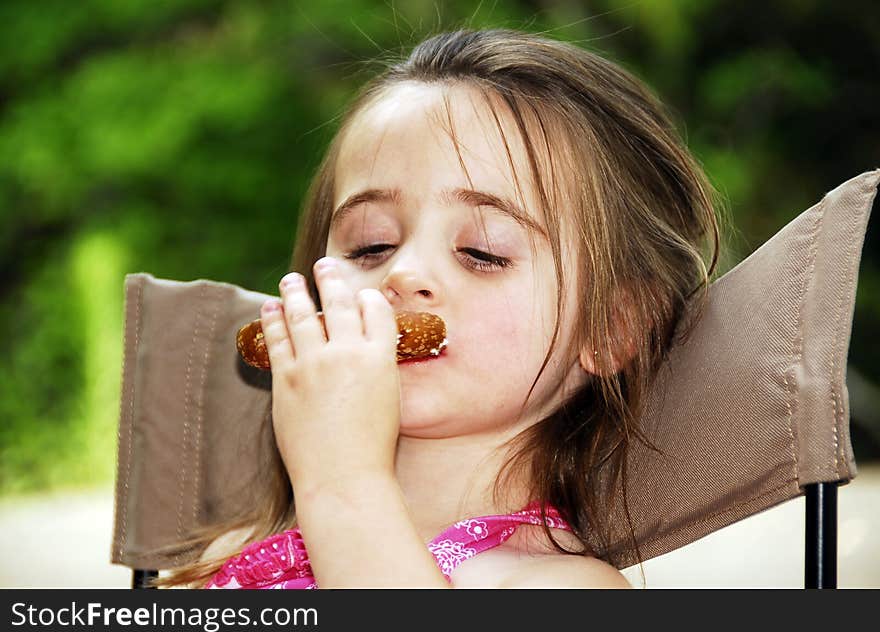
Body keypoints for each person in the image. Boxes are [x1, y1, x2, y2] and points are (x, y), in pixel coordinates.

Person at [156, 26, 721, 589]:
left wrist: (343, 483)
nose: (403, 274)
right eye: (371, 245)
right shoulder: (228, 555)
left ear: (612, 326)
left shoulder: (562, 588)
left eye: (482, 252)